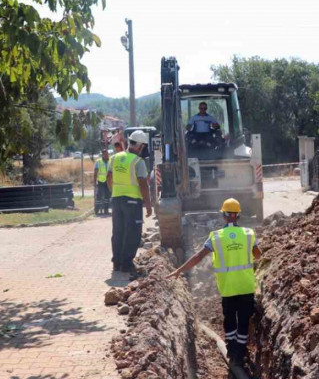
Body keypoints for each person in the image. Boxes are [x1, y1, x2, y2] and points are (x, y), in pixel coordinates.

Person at [167, 198, 261, 365]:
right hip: (246, 286)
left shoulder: (216, 237)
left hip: (228, 288)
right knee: (244, 320)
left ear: (224, 216)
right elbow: (257, 254)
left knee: (230, 319)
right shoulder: (249, 234)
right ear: (238, 216)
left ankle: (231, 349)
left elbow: (198, 257)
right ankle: (240, 350)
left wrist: (179, 270)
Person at [107, 130, 153, 279]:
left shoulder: (114, 158)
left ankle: (117, 263)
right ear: (140, 146)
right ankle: (127, 264)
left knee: (118, 231)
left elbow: (109, 178)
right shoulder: (138, 162)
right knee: (133, 233)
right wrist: (148, 203)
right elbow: (143, 184)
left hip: (116, 199)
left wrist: (114, 192)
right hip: (132, 201)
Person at [93, 149, 111, 215]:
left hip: (108, 181)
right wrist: (94, 182)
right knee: (99, 197)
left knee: (107, 196)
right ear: (102, 154)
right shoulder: (98, 162)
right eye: (105, 154)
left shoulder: (110, 161)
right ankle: (97, 211)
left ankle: (106, 211)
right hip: (101, 181)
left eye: (107, 154)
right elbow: (95, 173)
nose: (106, 155)